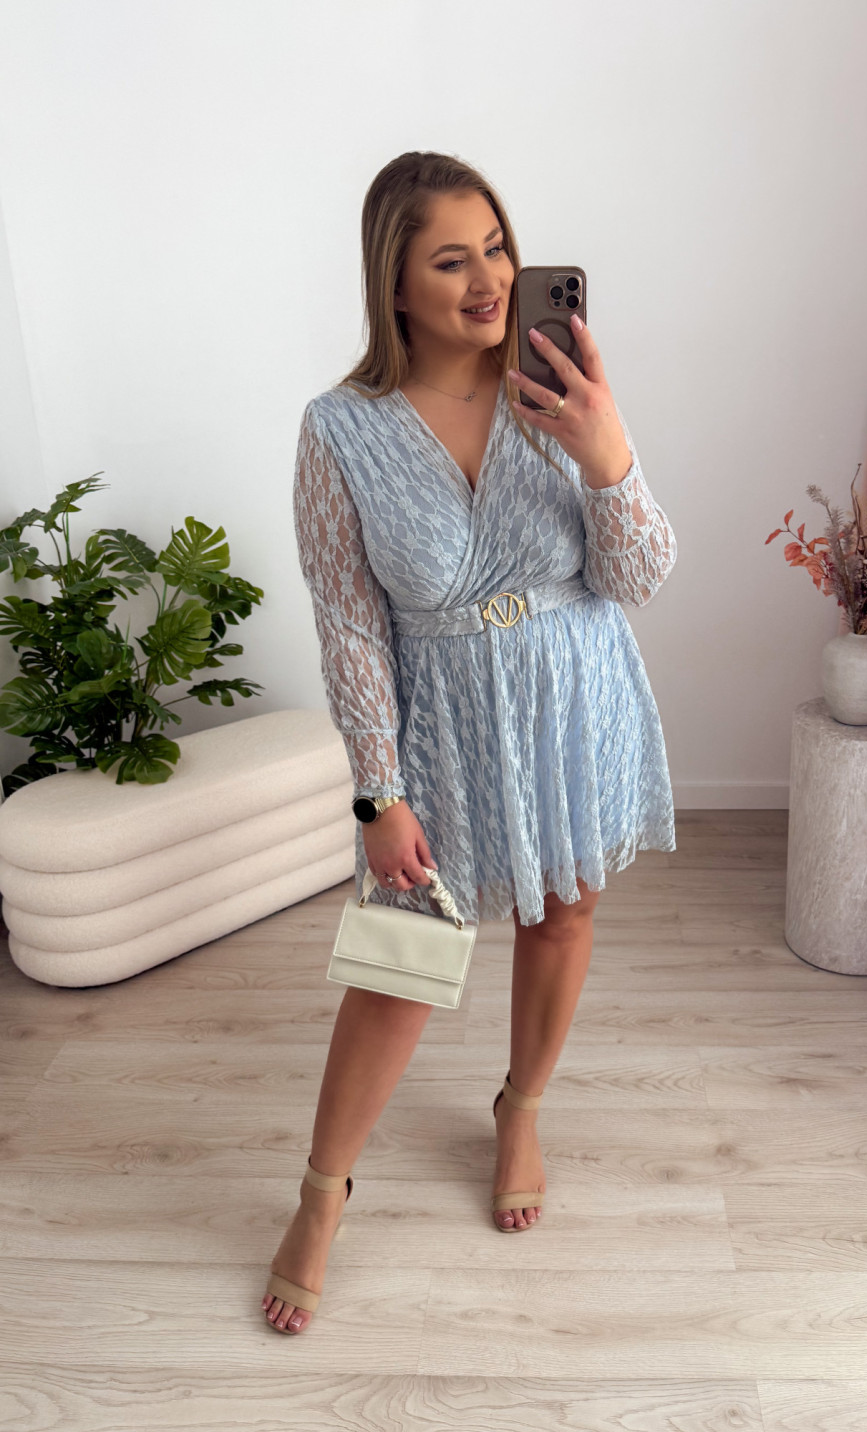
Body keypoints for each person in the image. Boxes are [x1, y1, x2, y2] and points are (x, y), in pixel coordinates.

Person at [262, 151, 678, 1333]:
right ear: (392, 282)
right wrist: (377, 791)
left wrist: (606, 448)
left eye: (497, 248)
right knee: (401, 964)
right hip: (438, 724)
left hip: (571, 696)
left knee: (564, 914)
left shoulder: (560, 392)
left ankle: (521, 1107)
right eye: (452, 260)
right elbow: (349, 624)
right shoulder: (339, 430)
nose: (490, 279)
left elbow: (638, 576)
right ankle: (321, 1192)